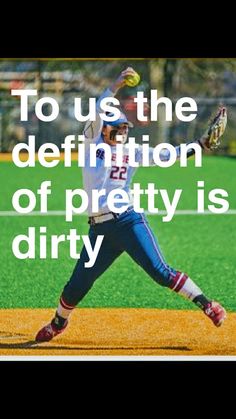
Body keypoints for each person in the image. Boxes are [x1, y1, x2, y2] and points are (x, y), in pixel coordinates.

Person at [36, 67, 227, 342]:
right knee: (76, 285)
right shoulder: (92, 144)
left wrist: (199, 144)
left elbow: (169, 154)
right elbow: (100, 108)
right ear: (105, 129)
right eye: (118, 128)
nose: (122, 132)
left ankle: (208, 305)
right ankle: (57, 323)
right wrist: (115, 85)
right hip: (99, 230)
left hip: (128, 222)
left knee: (161, 273)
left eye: (125, 128)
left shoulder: (132, 151)